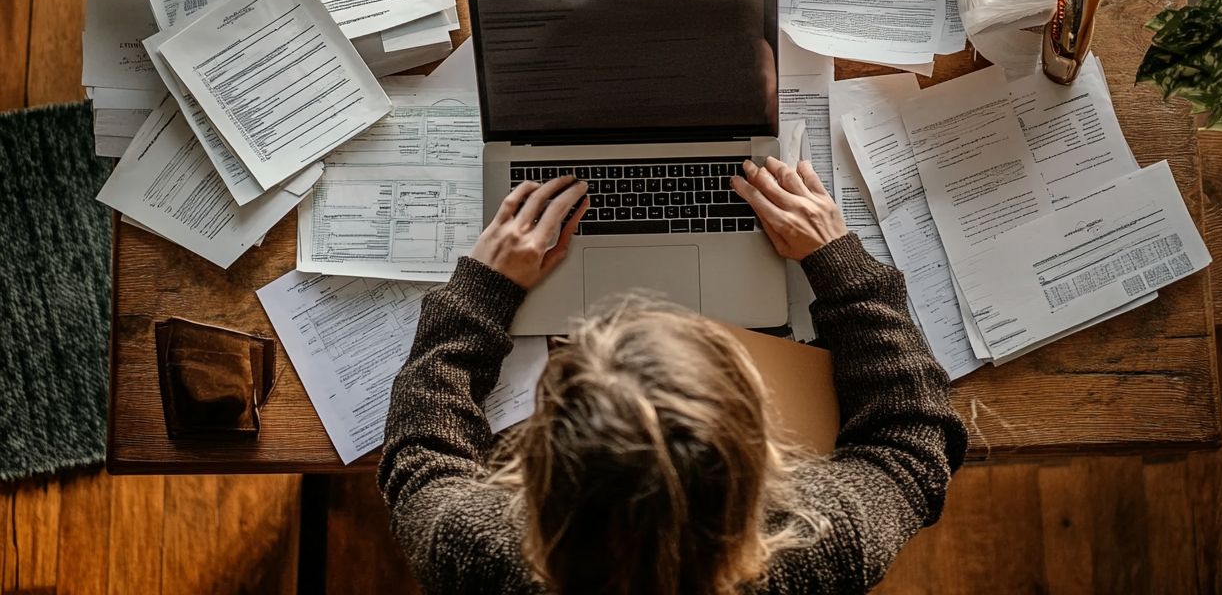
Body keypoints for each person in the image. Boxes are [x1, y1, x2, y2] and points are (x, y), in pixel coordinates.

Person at [379, 156, 968, 595]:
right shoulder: (814, 549)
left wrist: (485, 287)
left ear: (539, 467)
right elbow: (910, 444)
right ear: (757, 456)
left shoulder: (479, 556)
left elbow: (421, 454)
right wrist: (838, 261)